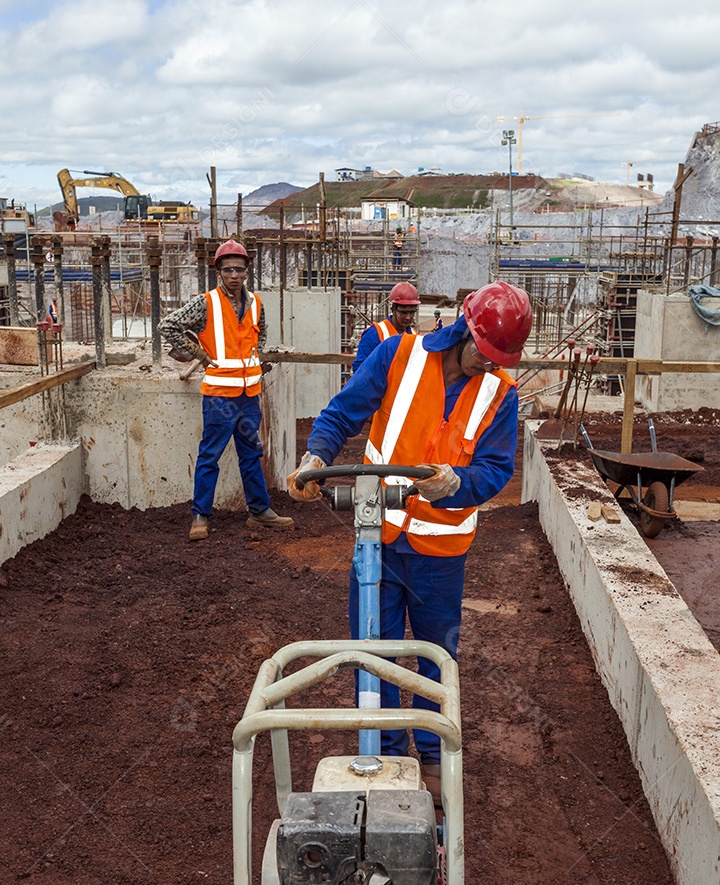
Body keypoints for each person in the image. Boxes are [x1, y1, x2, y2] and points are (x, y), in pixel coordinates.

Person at [287, 281, 532, 804]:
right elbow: (342, 412)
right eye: (484, 356)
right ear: (464, 330)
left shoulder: (501, 394)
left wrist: (457, 486)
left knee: (434, 655)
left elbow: (495, 469)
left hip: (440, 554)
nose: (488, 367)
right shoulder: (398, 354)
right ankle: (389, 751)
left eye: (498, 361)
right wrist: (317, 456)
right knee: (372, 652)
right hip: (378, 538)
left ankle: (434, 754)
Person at [159, 239, 293, 540]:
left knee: (250, 453)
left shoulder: (255, 302)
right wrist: (202, 356)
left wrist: (256, 352)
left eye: (239, 269)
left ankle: (259, 511)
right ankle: (200, 516)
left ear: (247, 272)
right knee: (210, 455)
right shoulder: (207, 302)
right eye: (228, 269)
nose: (234, 275)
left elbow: (262, 330)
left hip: (248, 396)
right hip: (220, 396)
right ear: (218, 272)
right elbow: (168, 326)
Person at [353, 281, 419, 374]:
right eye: (403, 312)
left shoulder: (414, 335)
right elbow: (361, 371)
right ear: (393, 310)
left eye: (411, 312)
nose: (408, 317)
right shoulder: (375, 334)